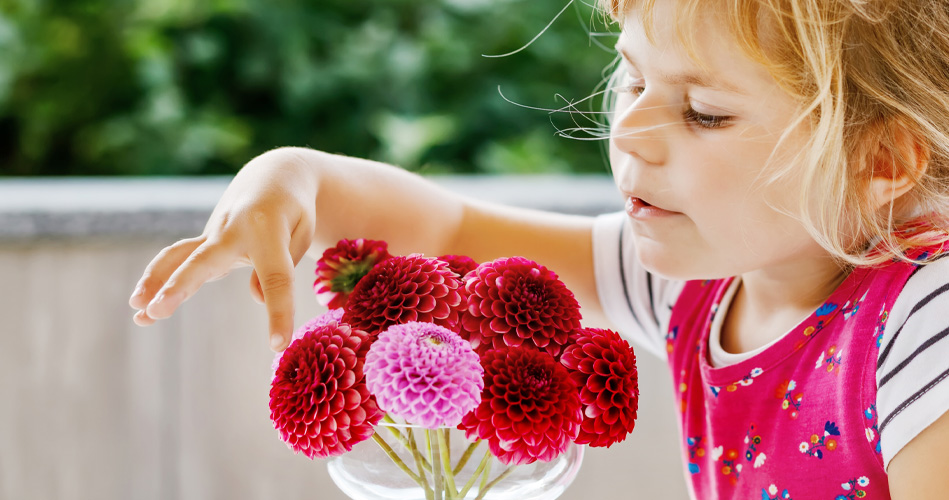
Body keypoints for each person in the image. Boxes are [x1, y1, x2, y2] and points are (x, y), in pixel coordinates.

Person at [128, 0, 949, 497]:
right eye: (631, 80)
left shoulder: (925, 316)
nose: (627, 129)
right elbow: (448, 231)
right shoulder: (702, 278)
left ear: (879, 162)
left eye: (702, 112)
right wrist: (288, 178)